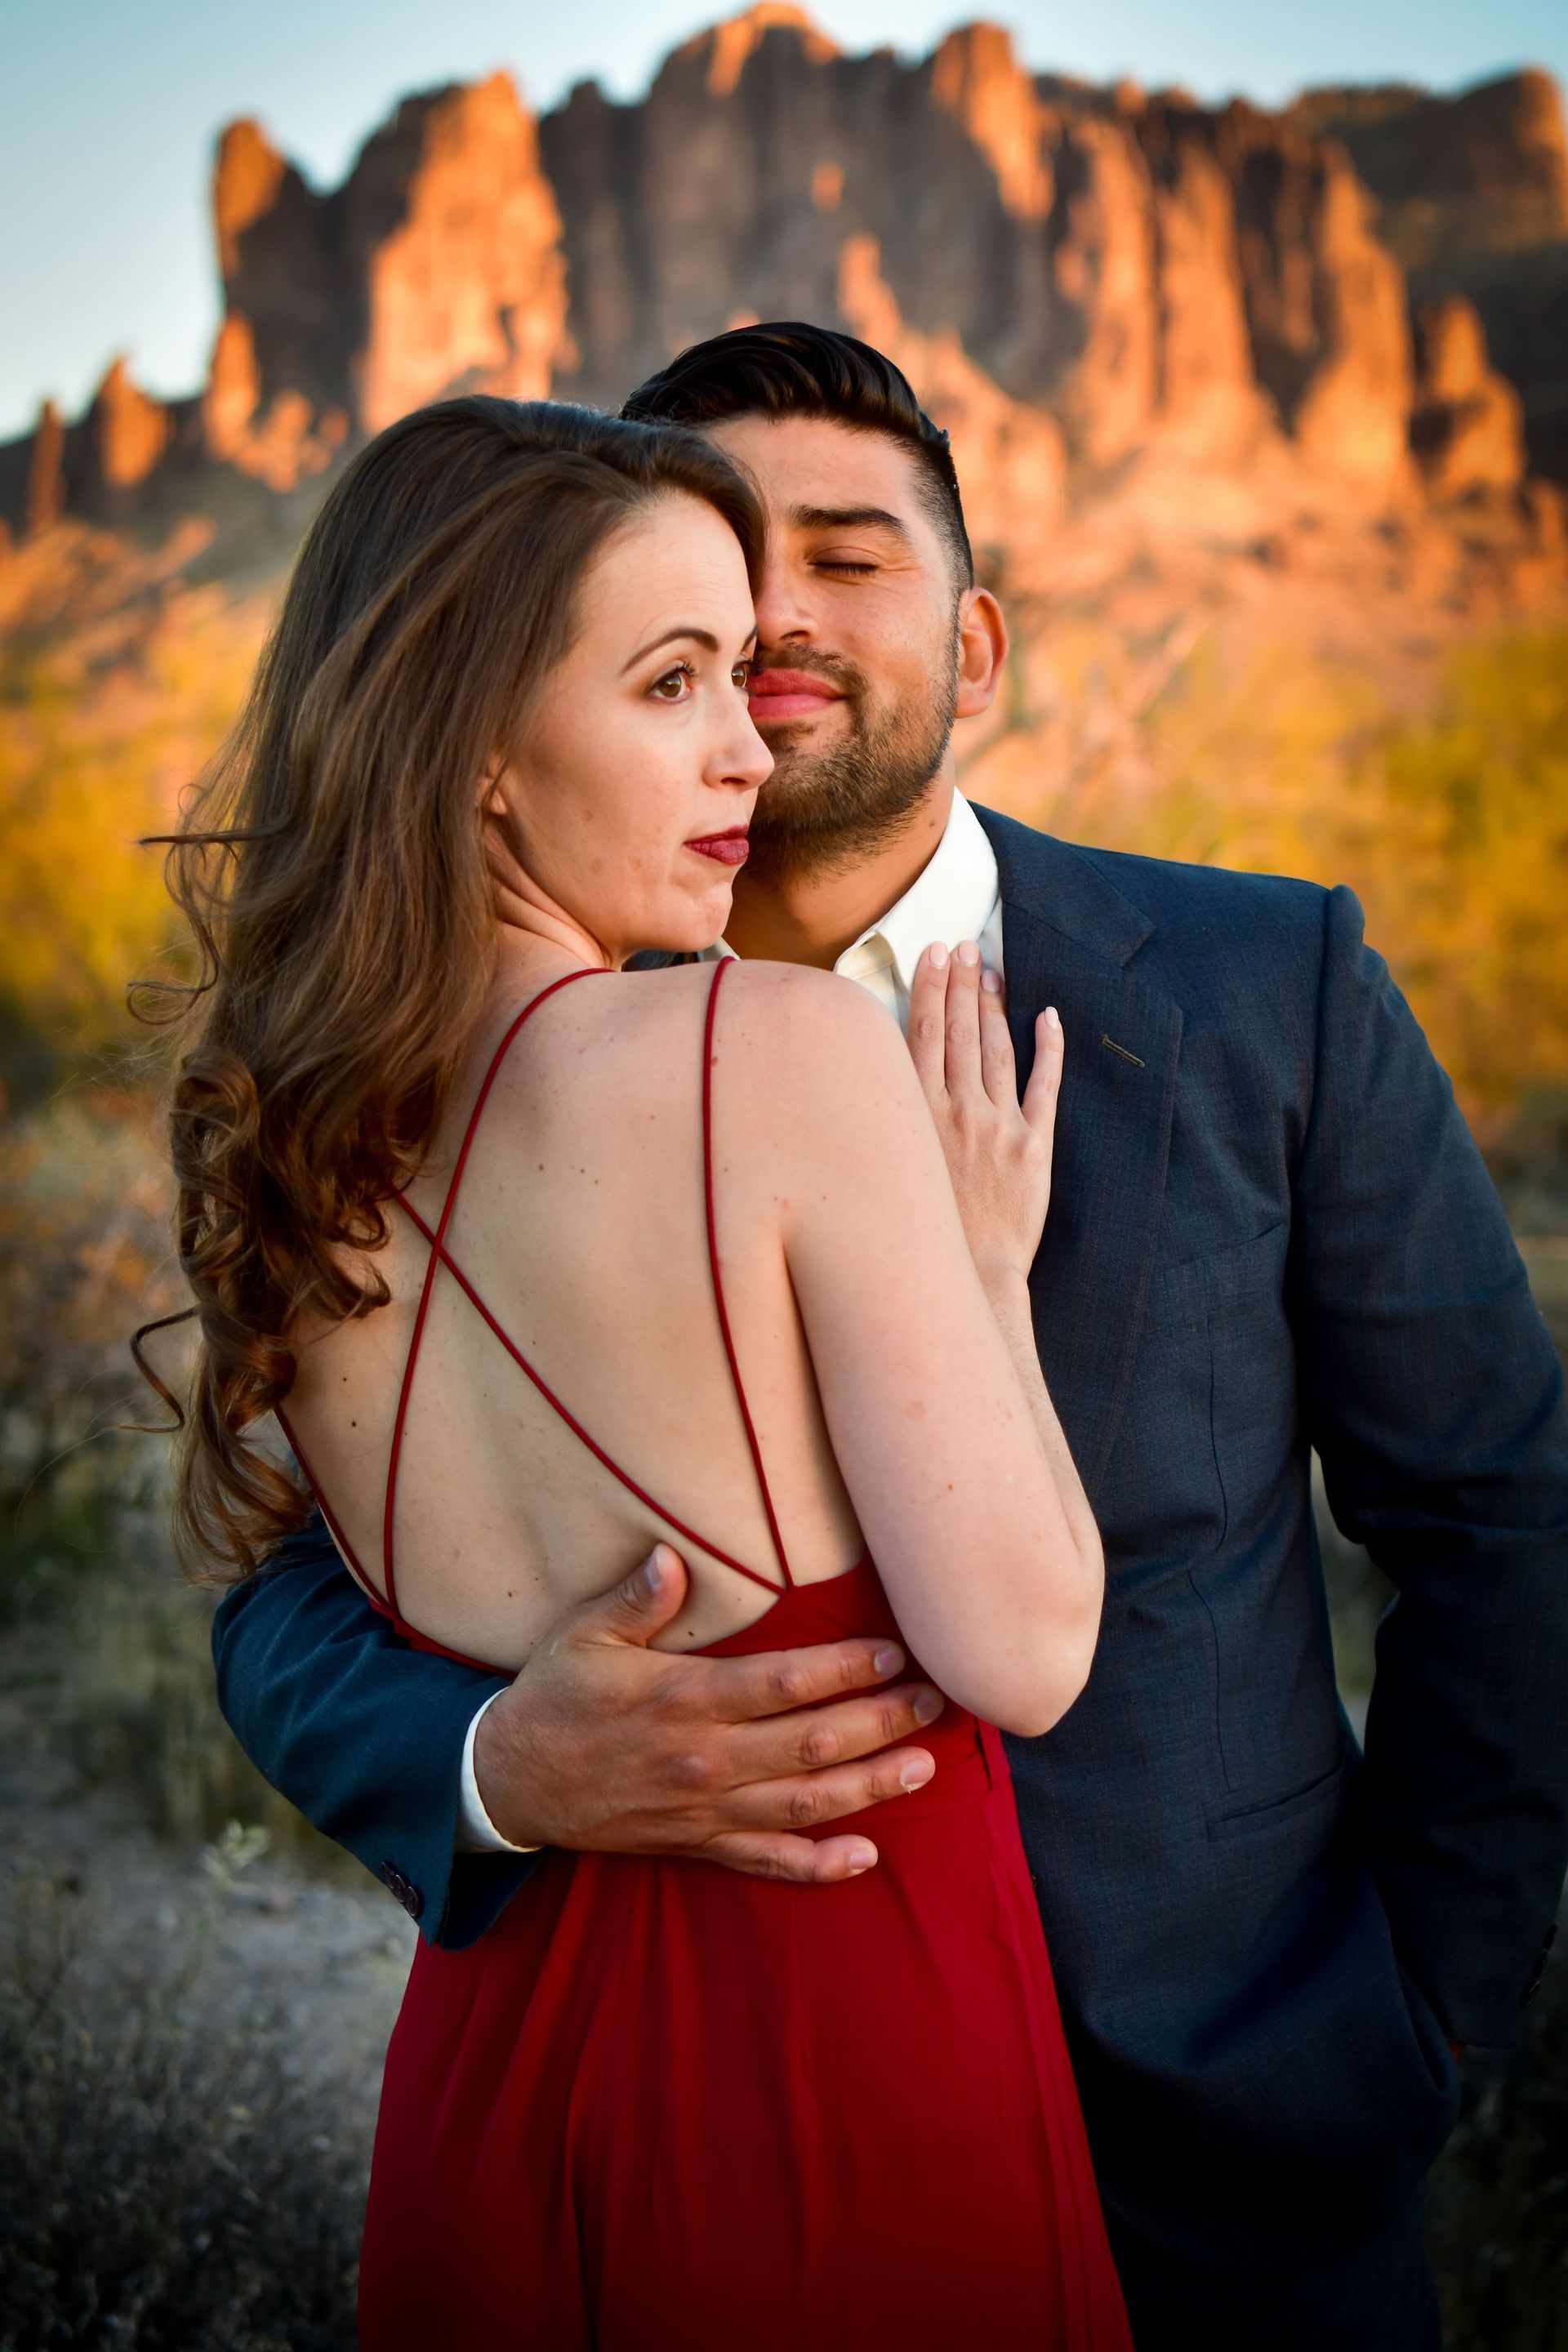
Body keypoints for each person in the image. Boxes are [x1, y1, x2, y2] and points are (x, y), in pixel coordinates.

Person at [209, 328, 1568, 2349]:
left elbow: (1497, 1518)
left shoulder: (1267, 983)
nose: (774, 625)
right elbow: (275, 1601)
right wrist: (495, 1760)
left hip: (1242, 2150)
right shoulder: (554, 1062)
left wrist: (1416, 2031)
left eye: (841, 556)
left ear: (981, 645)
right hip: (796, 2110)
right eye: (701, 613)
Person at [149, 391, 1133, 2348]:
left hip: (490, 2086)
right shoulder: (775, 1052)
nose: (746, 744)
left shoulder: (292, 1150)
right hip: (833, 2060)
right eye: (673, 682)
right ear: (484, 754)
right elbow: (1026, 1649)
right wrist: (989, 1272)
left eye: (743, 677)